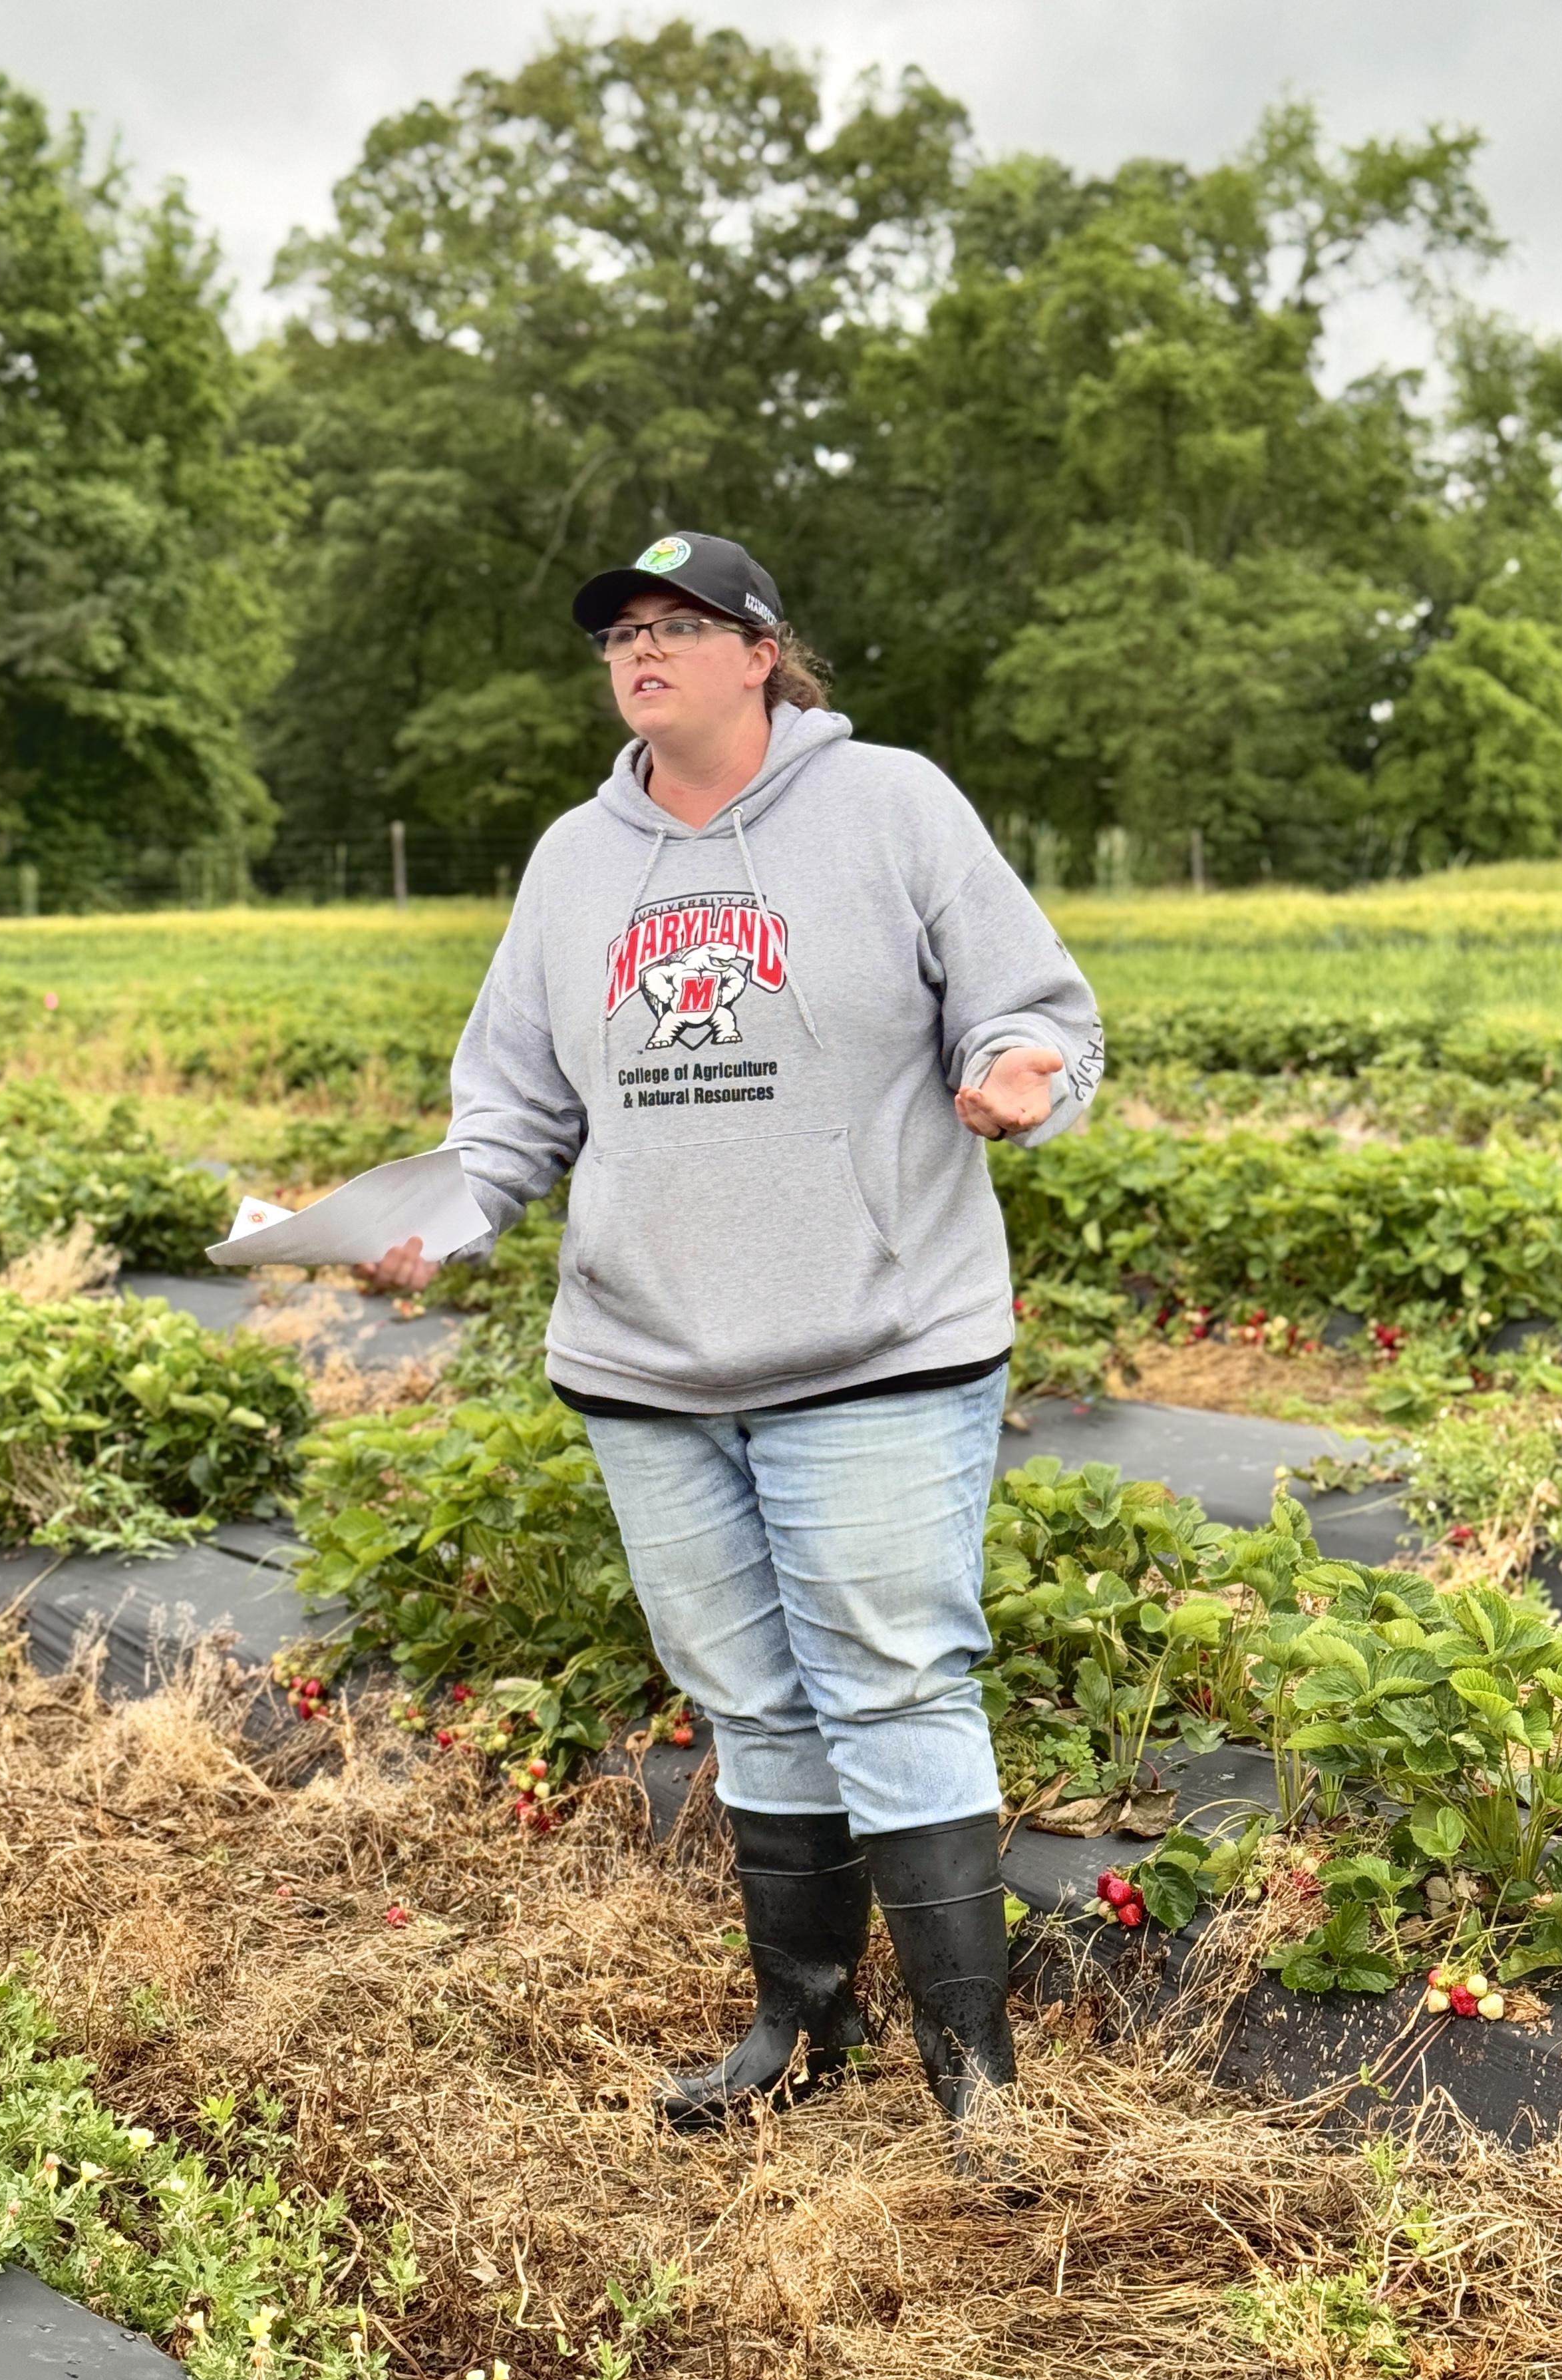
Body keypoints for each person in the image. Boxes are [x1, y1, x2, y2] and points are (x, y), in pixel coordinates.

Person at [361, 529, 1102, 2183]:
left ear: (763, 651)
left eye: (681, 625)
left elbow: (1030, 1004)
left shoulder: (893, 806)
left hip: (878, 1338)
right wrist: (444, 1215)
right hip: (647, 1361)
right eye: (624, 629)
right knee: (750, 1700)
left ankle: (973, 2073)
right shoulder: (572, 861)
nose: (644, 650)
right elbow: (515, 1111)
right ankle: (802, 2026)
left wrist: (1022, 1070)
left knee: (894, 1676)